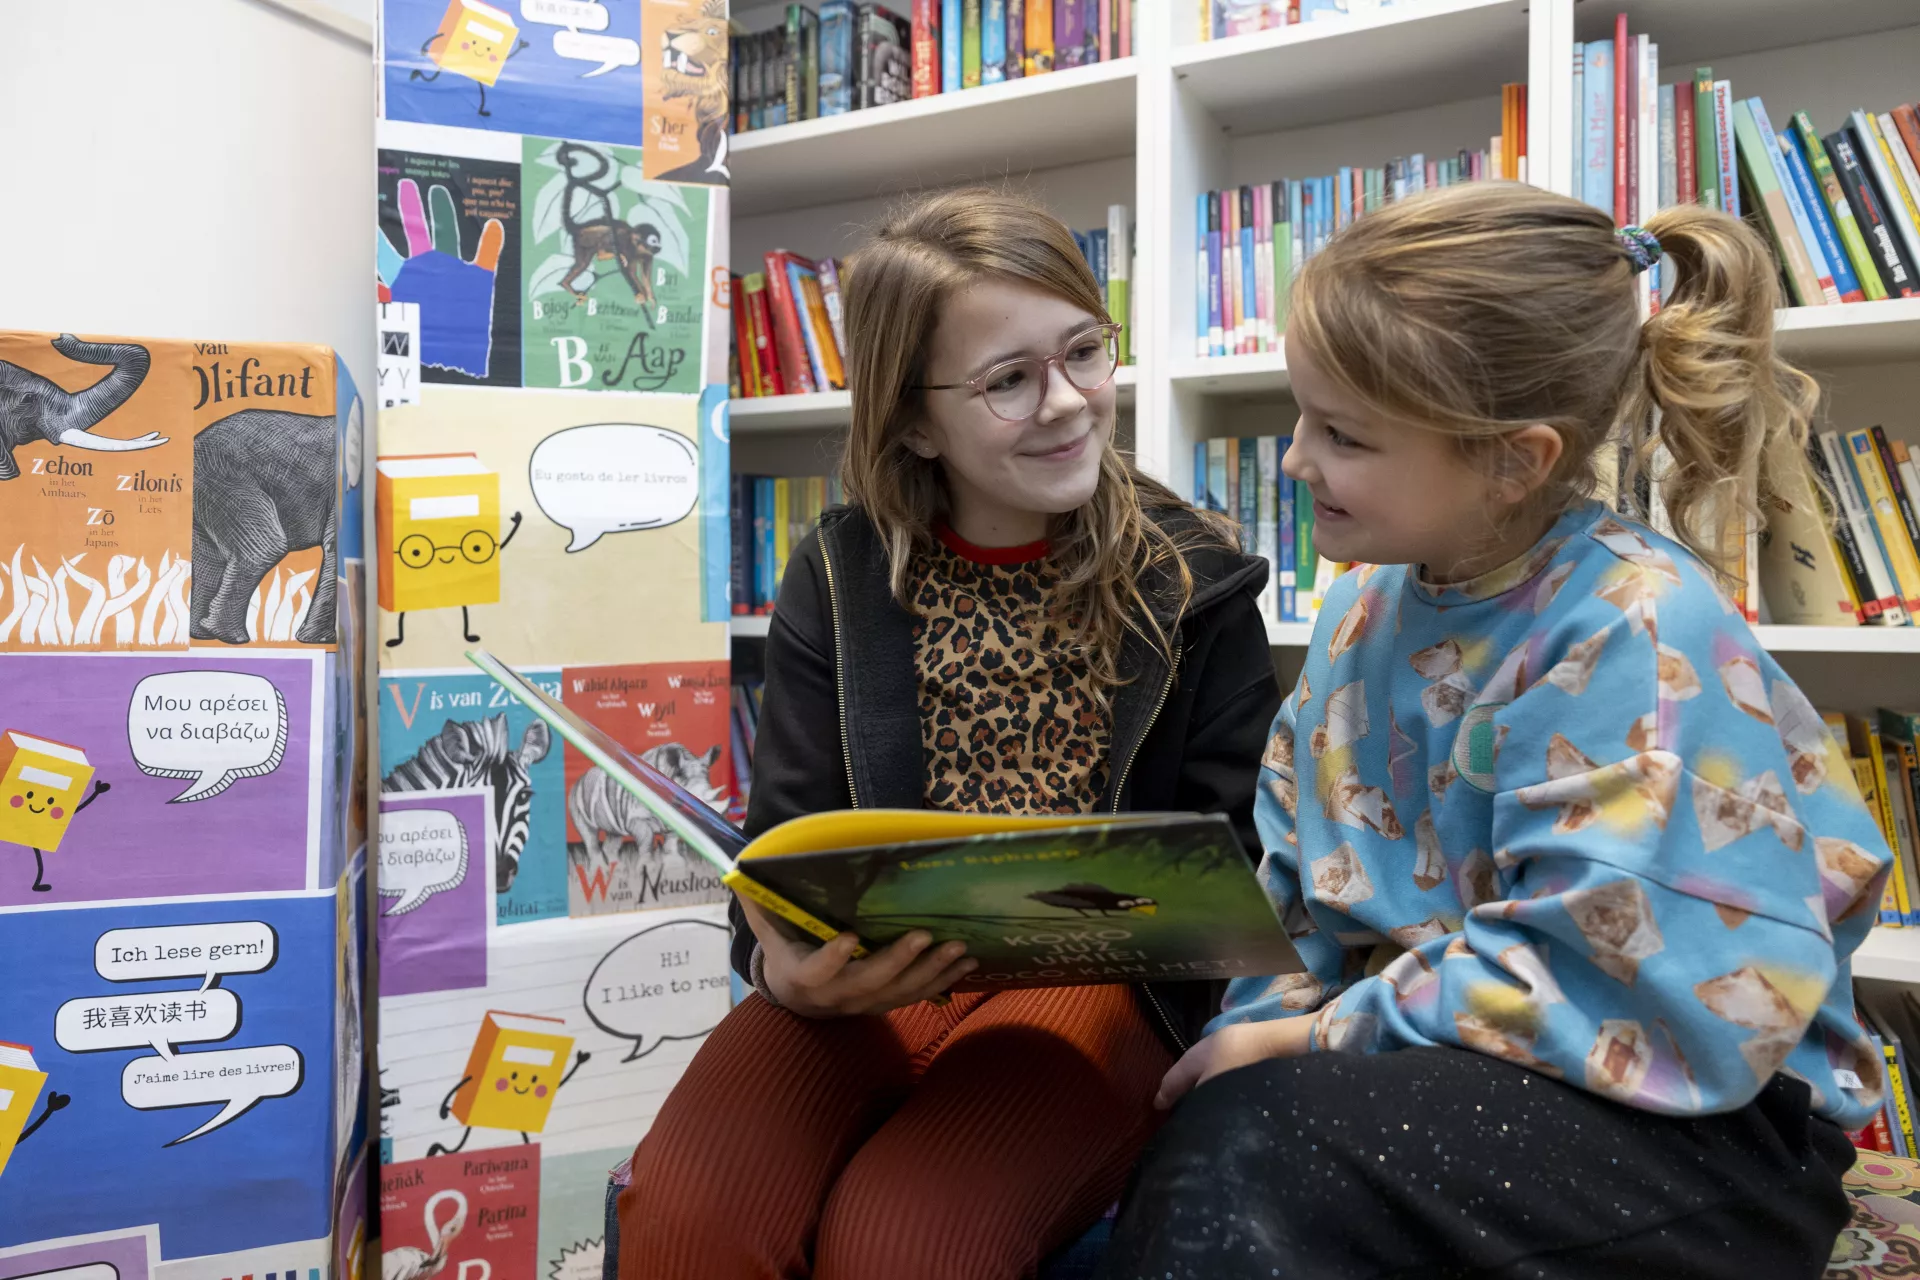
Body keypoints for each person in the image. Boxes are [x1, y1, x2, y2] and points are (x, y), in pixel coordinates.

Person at [1098, 183, 1894, 1280]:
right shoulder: (1357, 612)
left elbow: (1612, 980)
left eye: (1344, 434)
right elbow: (1298, 883)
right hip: (1449, 1064)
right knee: (1213, 1127)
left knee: (1248, 1154)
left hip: (1702, 1118)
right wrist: (1265, 1024)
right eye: (1301, 415)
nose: (1294, 460)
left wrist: (1310, 1042)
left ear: (1515, 459)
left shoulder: (1637, 629)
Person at [617, 189, 1282, 1280]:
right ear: (915, 420)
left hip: (1099, 986)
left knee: (906, 1240)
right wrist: (784, 974)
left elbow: (1238, 867)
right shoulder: (838, 574)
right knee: (683, 1220)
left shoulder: (1193, 582)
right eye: (1008, 380)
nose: (1068, 403)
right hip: (873, 982)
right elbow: (788, 841)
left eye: (1084, 351)